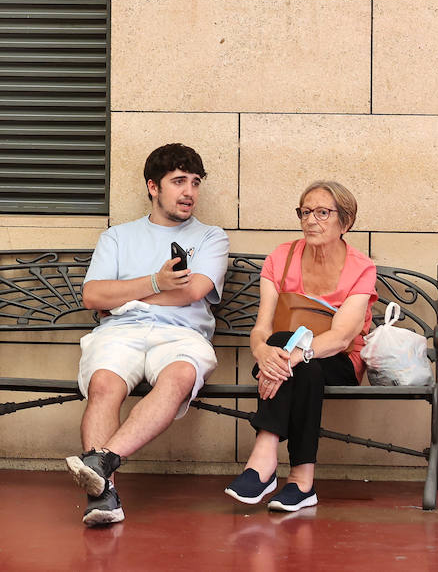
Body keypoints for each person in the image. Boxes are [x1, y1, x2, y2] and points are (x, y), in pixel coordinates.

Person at [63, 143, 229, 527]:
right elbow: (92, 296)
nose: (189, 192)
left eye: (195, 182)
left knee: (180, 376)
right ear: (153, 187)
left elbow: (192, 291)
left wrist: (121, 293)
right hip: (120, 331)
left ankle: (100, 463)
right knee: (104, 384)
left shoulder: (211, 237)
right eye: (178, 181)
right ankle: (104, 496)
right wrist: (156, 281)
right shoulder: (118, 237)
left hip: (182, 334)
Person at [223, 181, 376, 512]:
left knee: (300, 359)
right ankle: (301, 481)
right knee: (292, 356)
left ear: (345, 222)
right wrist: (261, 351)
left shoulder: (360, 267)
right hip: (287, 357)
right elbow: (262, 327)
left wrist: (290, 357)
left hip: (340, 360)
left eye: (322, 212)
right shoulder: (281, 258)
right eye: (305, 212)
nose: (311, 220)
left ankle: (263, 462)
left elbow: (341, 337)